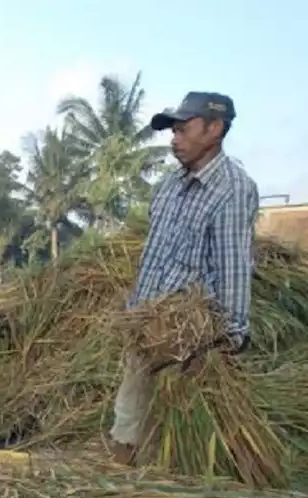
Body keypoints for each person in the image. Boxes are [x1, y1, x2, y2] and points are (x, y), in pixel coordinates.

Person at [110, 91, 259, 465]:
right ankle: (118, 490)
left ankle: (166, 496)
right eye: (173, 130)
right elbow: (153, 255)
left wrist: (230, 337)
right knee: (127, 421)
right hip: (146, 327)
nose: (174, 138)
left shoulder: (233, 190)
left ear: (215, 129)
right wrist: (135, 312)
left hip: (189, 343)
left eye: (183, 128)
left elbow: (234, 266)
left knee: (170, 443)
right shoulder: (171, 184)